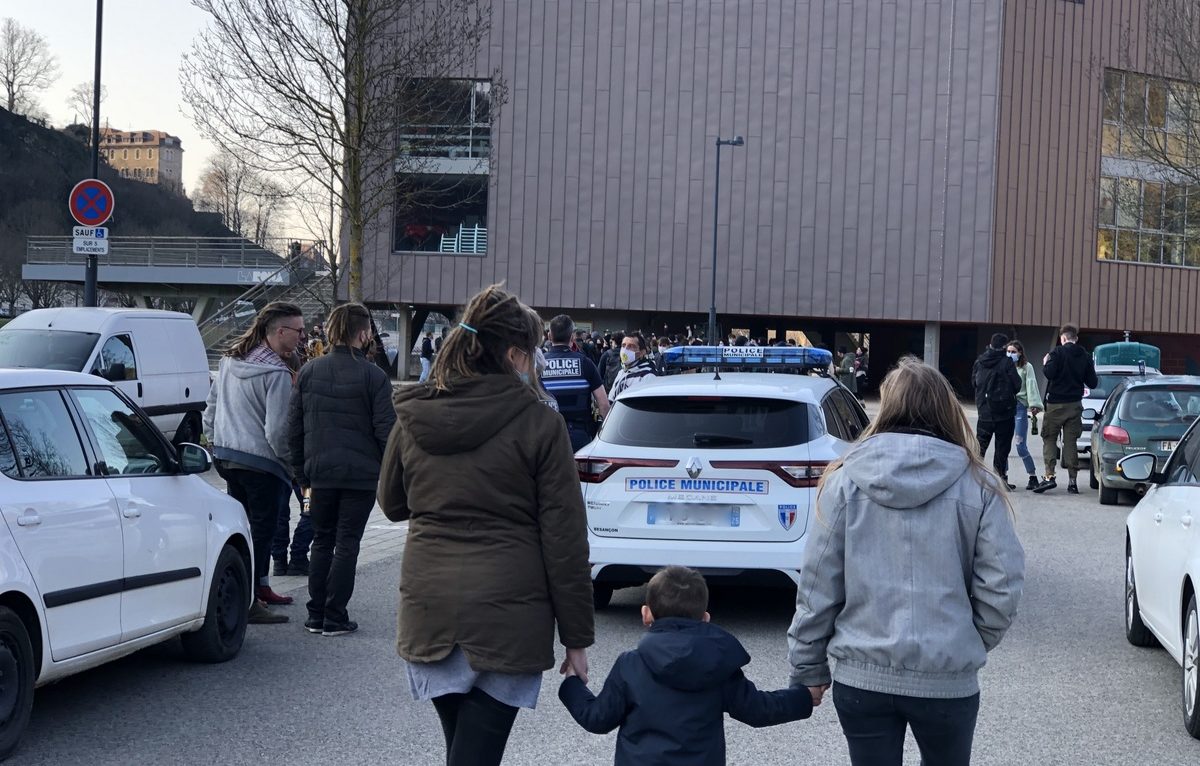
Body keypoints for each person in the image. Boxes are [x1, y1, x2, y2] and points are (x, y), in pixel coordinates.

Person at [378, 285, 594, 766]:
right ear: (515, 353)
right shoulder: (540, 423)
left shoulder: (414, 413)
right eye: (532, 353)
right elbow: (564, 539)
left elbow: (392, 504)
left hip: (430, 605)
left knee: (464, 750)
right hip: (508, 614)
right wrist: (576, 636)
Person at [787, 357, 1025, 766]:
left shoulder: (844, 480)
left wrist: (807, 666)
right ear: (946, 407)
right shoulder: (980, 484)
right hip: (948, 678)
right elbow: (1002, 584)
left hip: (863, 676)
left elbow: (817, 583)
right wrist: (967, 640)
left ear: (887, 406)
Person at [560, 565, 814, 765]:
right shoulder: (717, 666)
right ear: (705, 618)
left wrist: (572, 683)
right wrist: (804, 697)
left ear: (646, 614)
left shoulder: (631, 665)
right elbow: (759, 709)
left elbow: (597, 719)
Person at [287, 303, 395, 637]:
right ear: (363, 334)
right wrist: (389, 469)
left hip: (315, 476)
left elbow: (293, 428)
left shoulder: (307, 371)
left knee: (321, 539)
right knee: (347, 543)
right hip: (359, 477)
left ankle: (315, 613)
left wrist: (300, 475)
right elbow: (386, 431)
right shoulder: (374, 376)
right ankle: (335, 614)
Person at [203, 301, 307, 624]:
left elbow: (210, 409)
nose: (303, 337)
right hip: (262, 465)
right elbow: (277, 432)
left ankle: (259, 587)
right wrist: (292, 465)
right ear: (279, 332)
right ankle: (250, 602)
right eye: (299, 331)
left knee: (243, 528)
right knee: (261, 533)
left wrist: (215, 441)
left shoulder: (230, 361)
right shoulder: (275, 373)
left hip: (228, 458)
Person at [1034, 323, 1099, 494]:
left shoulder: (1056, 353)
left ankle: (1049, 476)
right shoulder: (1084, 355)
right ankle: (1072, 481)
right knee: (1070, 442)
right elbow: (1093, 382)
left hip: (1055, 404)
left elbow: (1049, 374)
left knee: (1049, 438)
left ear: (1062, 338)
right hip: (1075, 404)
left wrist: (1046, 363)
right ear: (1075, 338)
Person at [544, 314, 610, 451]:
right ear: (572, 337)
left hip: (546, 436)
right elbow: (603, 404)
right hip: (579, 436)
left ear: (550, 336)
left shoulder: (538, 364)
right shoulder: (585, 363)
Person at [972, 333, 1022, 490]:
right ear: (1003, 347)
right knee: (1002, 448)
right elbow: (1017, 385)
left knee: (980, 446)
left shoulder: (980, 361)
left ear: (990, 344)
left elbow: (974, 382)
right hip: (1004, 413)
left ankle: (974, 479)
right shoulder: (1006, 362)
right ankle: (999, 480)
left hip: (984, 411)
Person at [1008, 340, 1044, 490]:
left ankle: (1032, 476)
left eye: (1013, 352)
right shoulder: (1004, 365)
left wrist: (1034, 404)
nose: (1010, 354)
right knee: (1003, 445)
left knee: (1020, 445)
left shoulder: (1026, 367)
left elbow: (1031, 384)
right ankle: (1003, 475)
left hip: (1020, 407)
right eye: (1008, 351)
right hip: (1005, 407)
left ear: (1020, 353)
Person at [608, 332, 658, 404]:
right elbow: (611, 399)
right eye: (623, 345)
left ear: (642, 352)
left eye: (631, 346)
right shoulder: (622, 372)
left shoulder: (648, 376)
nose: (625, 350)